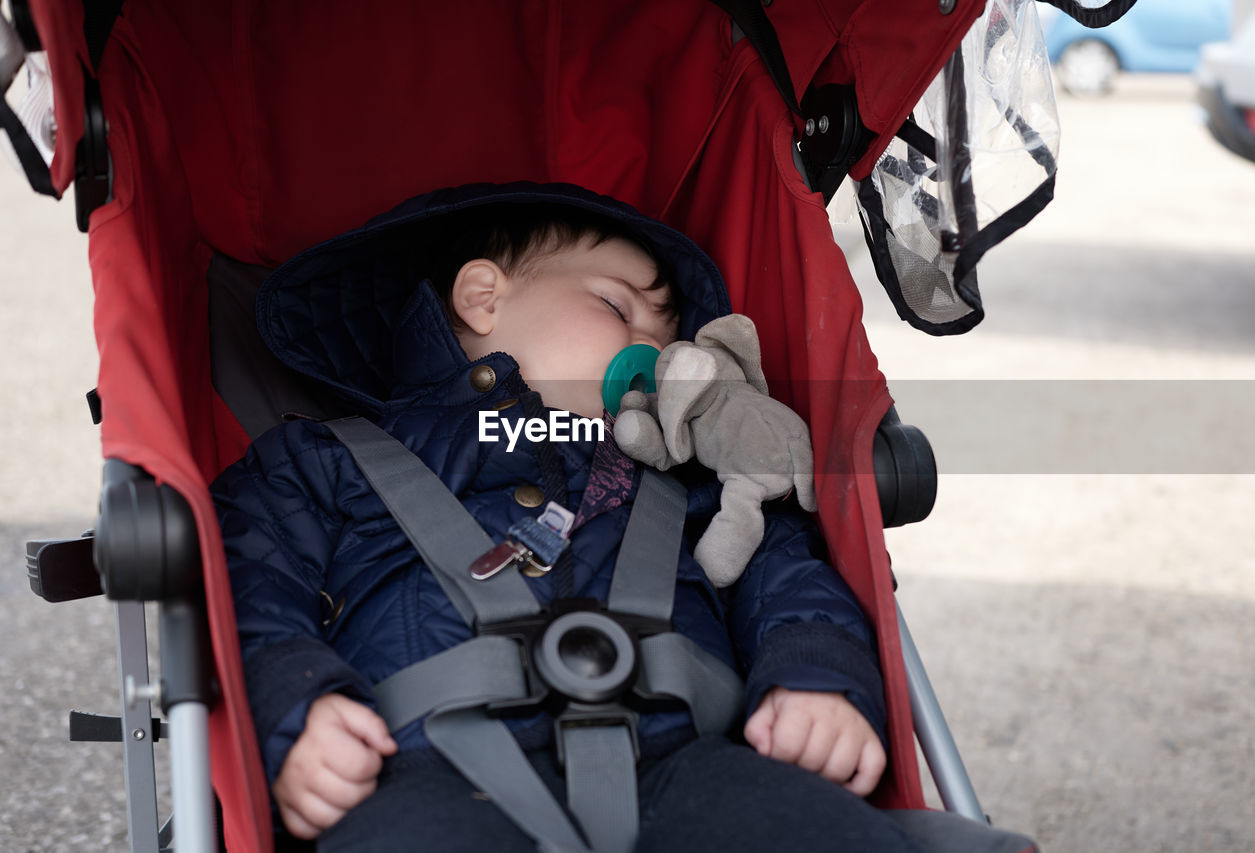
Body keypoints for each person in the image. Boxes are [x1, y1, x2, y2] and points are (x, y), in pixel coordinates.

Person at [213, 183, 925, 852]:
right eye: (620, 309)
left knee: (807, 827)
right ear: (483, 297)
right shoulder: (325, 459)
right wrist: (295, 700)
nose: (651, 349)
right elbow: (249, 578)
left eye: (667, 334)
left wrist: (815, 672)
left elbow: (783, 571)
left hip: (688, 761)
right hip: (427, 767)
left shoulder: (695, 479)